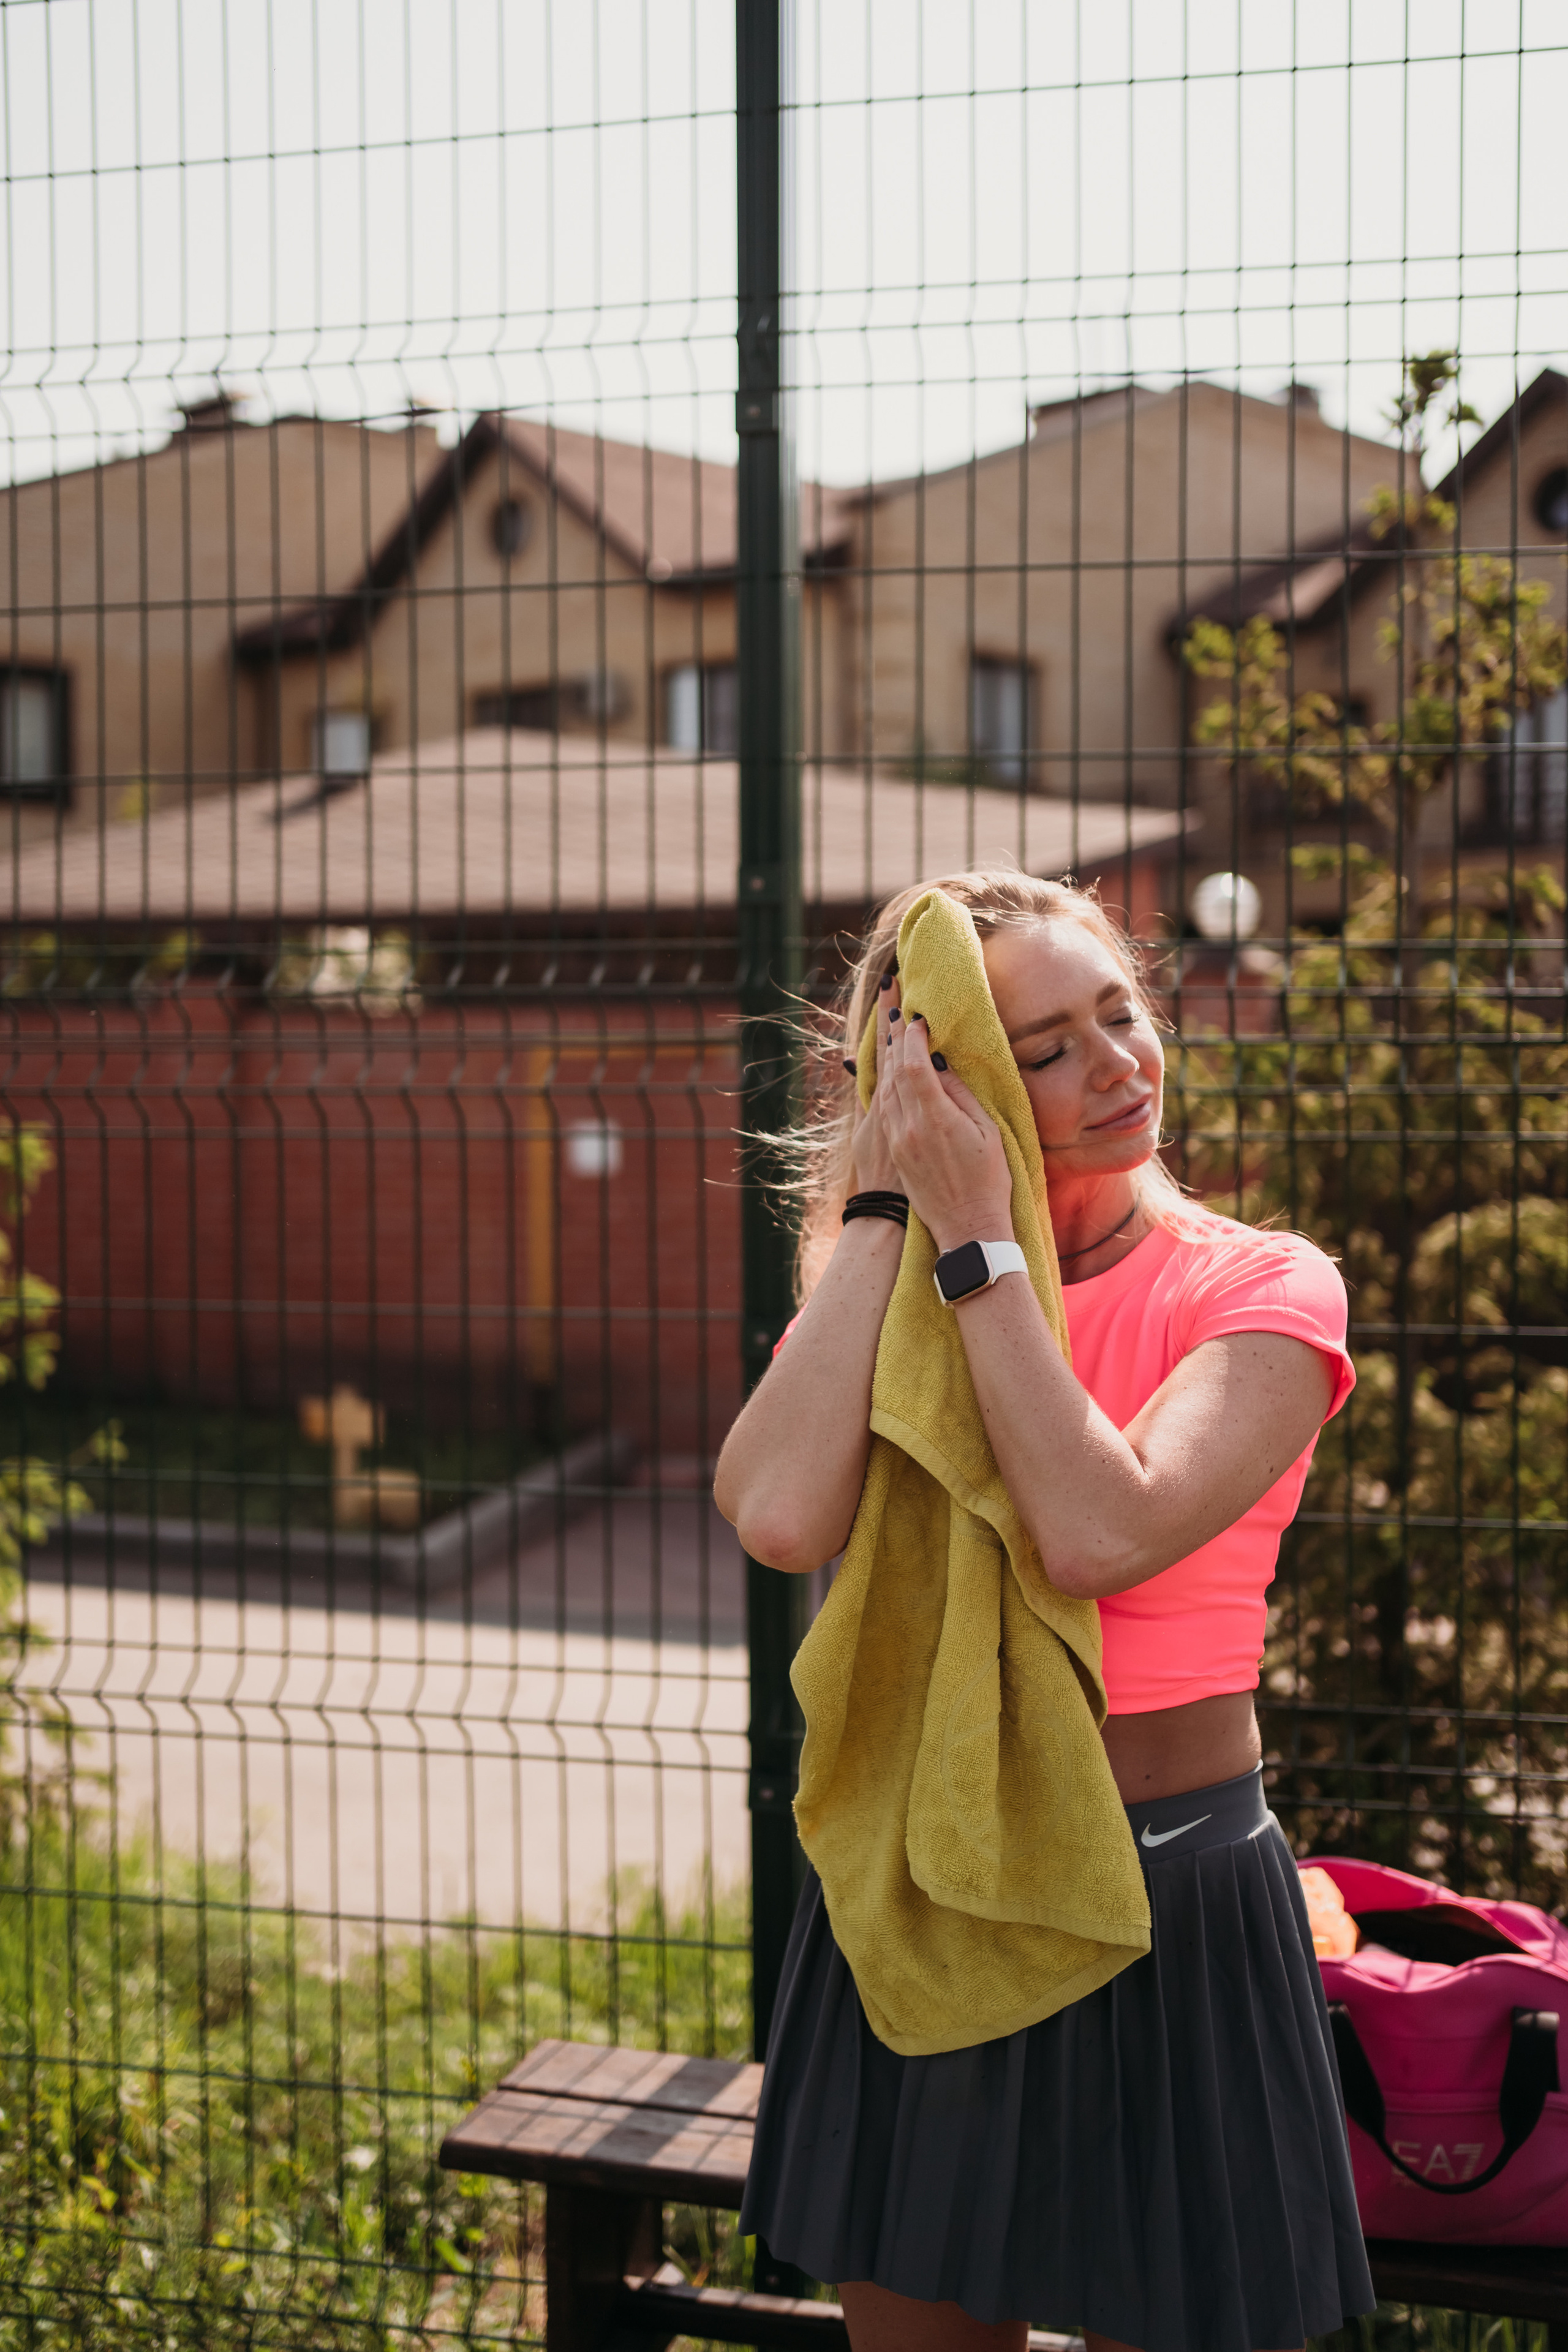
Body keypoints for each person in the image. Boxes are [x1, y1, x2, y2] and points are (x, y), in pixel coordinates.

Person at [714, 869, 1374, 2352]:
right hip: (926, 1890)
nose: (1116, 1067)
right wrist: (891, 1205)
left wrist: (979, 1249)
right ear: (944, 1086)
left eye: (1120, 1014)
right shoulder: (883, 1283)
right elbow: (774, 1513)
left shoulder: (1262, 1288)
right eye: (1047, 1049)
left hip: (1168, 1902)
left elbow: (1097, 1528)